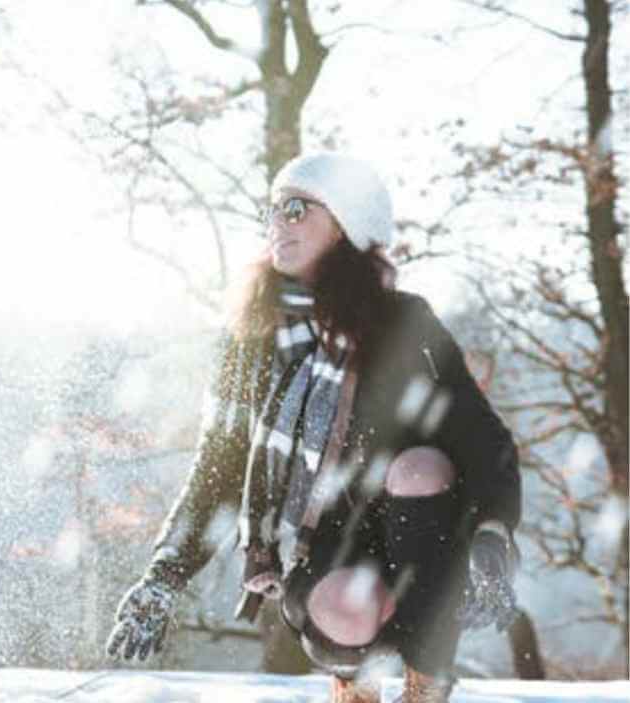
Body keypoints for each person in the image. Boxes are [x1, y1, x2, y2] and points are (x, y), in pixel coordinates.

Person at [104, 153, 521, 703]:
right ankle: (354, 683)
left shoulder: (403, 322)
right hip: (320, 552)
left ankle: (427, 679)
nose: (280, 222)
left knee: (422, 466)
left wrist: (492, 539)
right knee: (347, 604)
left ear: (348, 222)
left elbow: (482, 440)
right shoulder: (252, 338)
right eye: (273, 210)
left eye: (297, 209)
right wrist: (165, 574)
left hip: (421, 548)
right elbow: (220, 466)